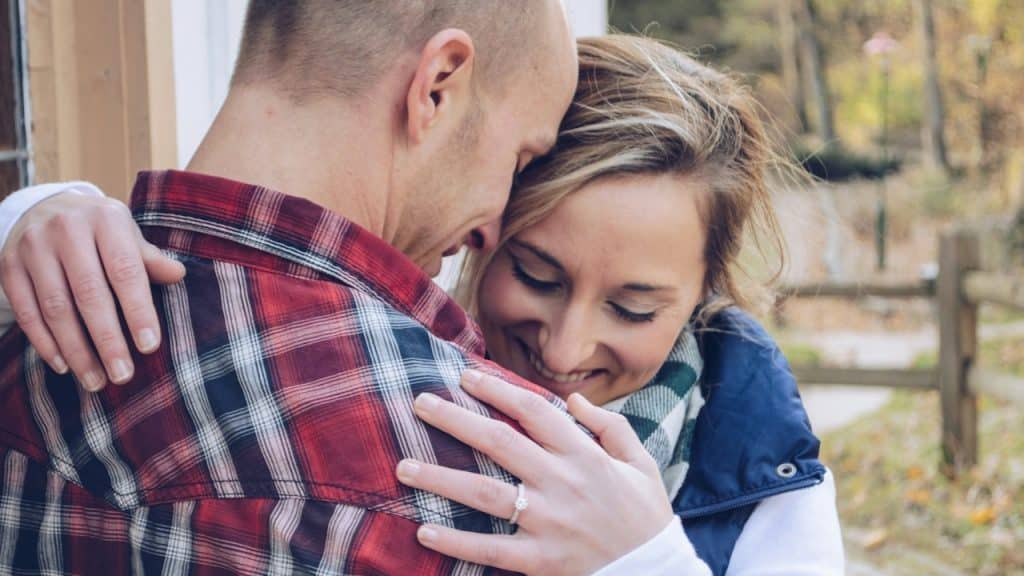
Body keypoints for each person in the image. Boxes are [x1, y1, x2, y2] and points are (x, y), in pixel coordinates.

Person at [0, 32, 844, 574]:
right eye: (539, 275)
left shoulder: (762, 473)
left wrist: (651, 561)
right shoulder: (404, 380)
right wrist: (33, 211)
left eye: (634, 308)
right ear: (489, 227)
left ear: (704, 295)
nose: (563, 348)